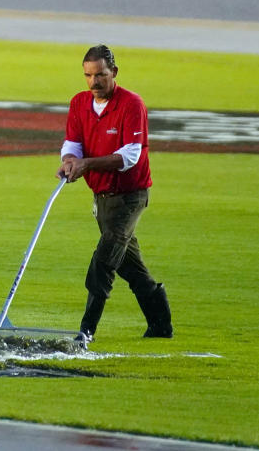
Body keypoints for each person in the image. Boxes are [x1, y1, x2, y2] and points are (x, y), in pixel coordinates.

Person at [57, 44, 172, 344]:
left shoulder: (132, 104)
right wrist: (70, 161)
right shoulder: (79, 104)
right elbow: (72, 143)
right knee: (129, 267)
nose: (94, 82)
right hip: (102, 200)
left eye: (100, 75)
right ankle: (161, 326)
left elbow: (130, 156)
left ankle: (86, 331)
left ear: (114, 73)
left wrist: (86, 164)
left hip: (130, 196)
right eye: (88, 76)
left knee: (104, 258)